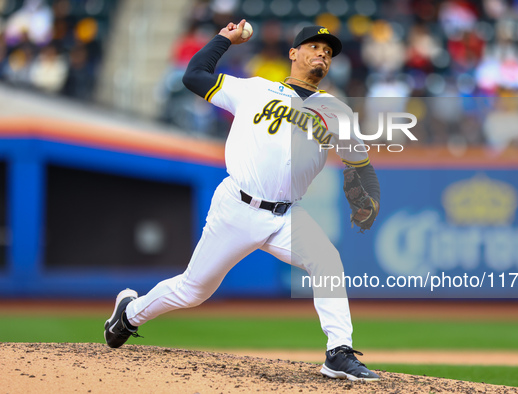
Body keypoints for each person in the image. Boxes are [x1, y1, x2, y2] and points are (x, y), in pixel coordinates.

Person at [103, 20, 381, 381]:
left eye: (328, 53)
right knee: (193, 290)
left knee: (328, 262)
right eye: (314, 47)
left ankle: (338, 352)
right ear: (294, 53)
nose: (322, 55)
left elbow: (360, 163)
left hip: (287, 216)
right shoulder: (254, 90)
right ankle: (128, 315)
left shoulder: (337, 112)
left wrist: (369, 197)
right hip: (238, 207)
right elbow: (194, 75)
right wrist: (223, 40)